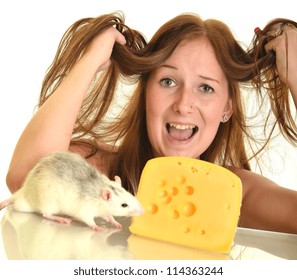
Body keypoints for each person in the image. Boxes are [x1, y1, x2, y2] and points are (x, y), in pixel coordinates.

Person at [5, 12, 297, 234]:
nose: (183, 105)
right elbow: (25, 180)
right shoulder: (98, 170)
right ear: (145, 93)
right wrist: (92, 58)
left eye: (205, 88)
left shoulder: (240, 194)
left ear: (227, 108)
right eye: (168, 81)